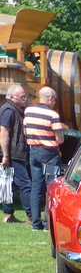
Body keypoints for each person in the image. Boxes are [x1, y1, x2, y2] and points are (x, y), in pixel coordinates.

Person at [24, 86, 65, 231]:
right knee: (50, 187)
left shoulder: (28, 112)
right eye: (54, 99)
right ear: (49, 98)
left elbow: (25, 131)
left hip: (34, 152)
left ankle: (36, 223)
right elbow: (59, 139)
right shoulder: (53, 115)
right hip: (49, 154)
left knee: (36, 187)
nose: (54, 102)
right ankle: (48, 223)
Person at [0, 84, 31, 224]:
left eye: (25, 96)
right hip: (13, 154)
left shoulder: (17, 109)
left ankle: (8, 214)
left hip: (14, 153)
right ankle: (31, 216)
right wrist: (5, 155)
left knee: (8, 185)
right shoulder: (9, 110)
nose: (25, 99)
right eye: (22, 96)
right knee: (25, 184)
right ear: (12, 97)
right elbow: (4, 132)